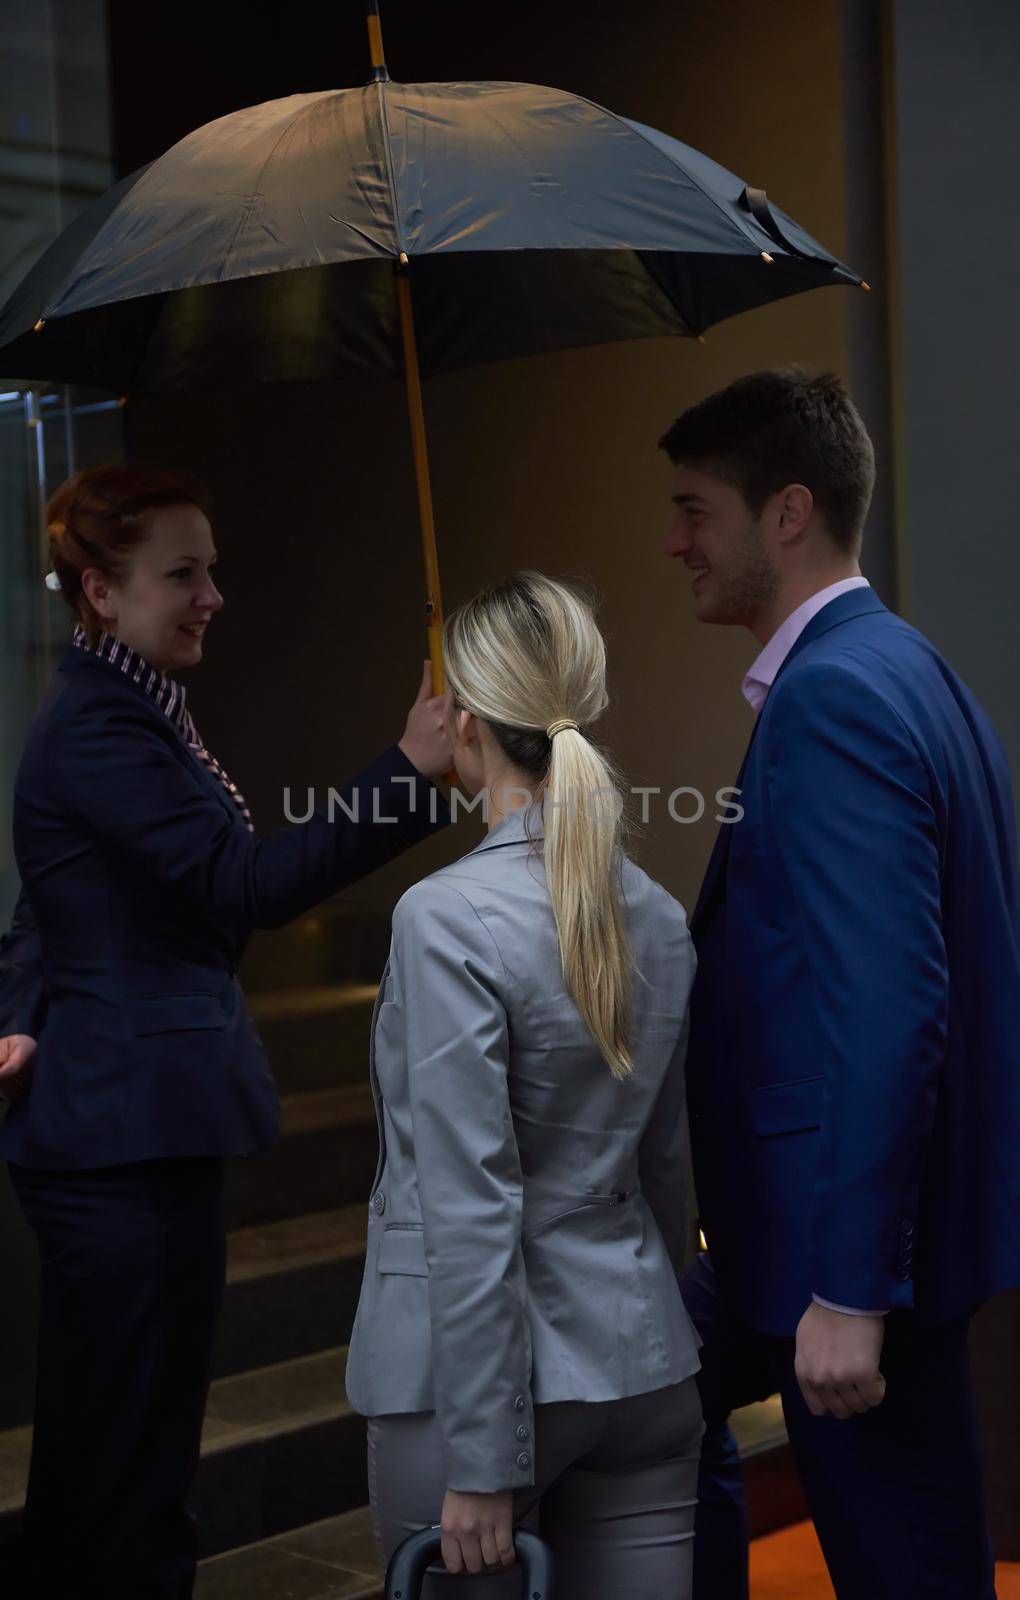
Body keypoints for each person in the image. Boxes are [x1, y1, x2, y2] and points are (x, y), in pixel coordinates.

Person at [0, 464, 453, 1600]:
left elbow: (52, 895)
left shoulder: (134, 709)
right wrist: (406, 771)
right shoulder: (103, 730)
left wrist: (12, 1009)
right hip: (115, 1141)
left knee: (127, 1453)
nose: (213, 595)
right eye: (183, 574)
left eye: (212, 569)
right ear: (100, 592)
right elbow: (240, 884)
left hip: (138, 1125)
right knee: (122, 1467)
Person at [659, 369, 1020, 1598]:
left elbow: (890, 1002)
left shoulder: (834, 697)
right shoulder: (909, 666)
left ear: (788, 511)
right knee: (668, 1403)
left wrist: (852, 1288)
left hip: (855, 1254)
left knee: (908, 1569)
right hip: (833, 1233)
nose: (676, 541)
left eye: (695, 510)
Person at [345, 572, 704, 1598]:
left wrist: (487, 1458)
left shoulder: (444, 916)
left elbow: (470, 1200)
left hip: (475, 1398)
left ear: (464, 723)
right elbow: (668, 1169)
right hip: (640, 1365)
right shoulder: (659, 913)